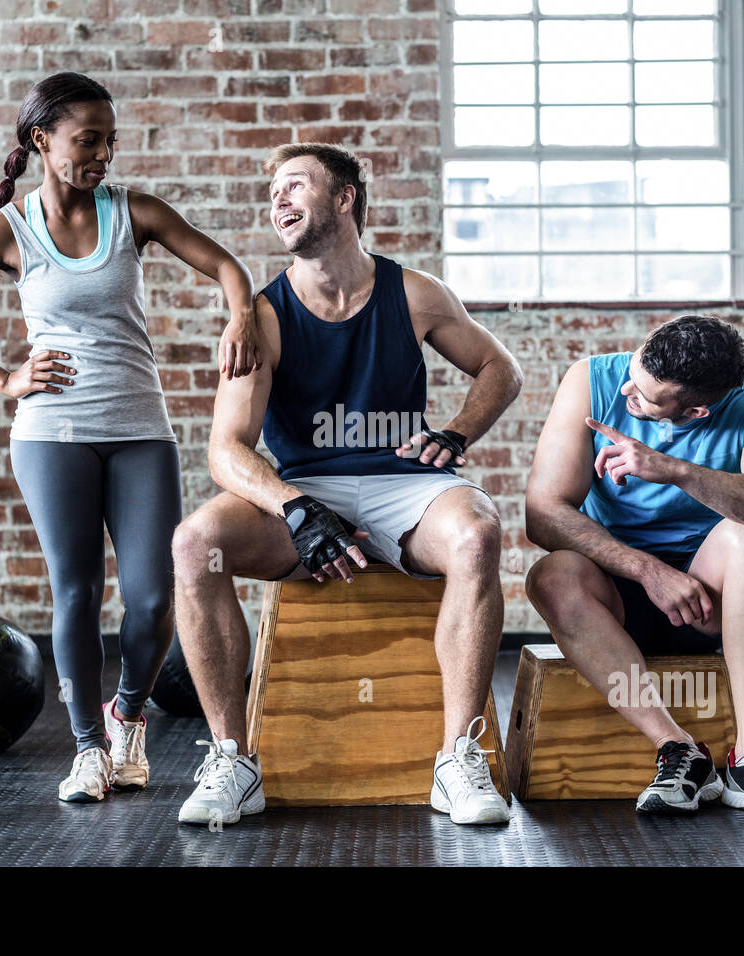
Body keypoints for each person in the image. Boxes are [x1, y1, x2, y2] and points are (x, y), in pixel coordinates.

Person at [0, 72, 261, 804]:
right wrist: (6, 379)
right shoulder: (9, 230)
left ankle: (127, 717)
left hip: (140, 430)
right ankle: (87, 749)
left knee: (152, 597)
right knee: (76, 592)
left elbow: (228, 266)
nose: (103, 153)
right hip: (51, 437)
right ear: (42, 140)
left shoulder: (132, 212)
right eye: (88, 140)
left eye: (109, 139)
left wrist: (241, 316)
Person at [170, 142, 524, 826]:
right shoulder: (264, 319)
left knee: (478, 536)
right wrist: (296, 508)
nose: (278, 199)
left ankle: (457, 759)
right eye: (272, 191)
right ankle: (231, 760)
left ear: (344, 199)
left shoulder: (414, 292)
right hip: (302, 491)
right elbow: (226, 451)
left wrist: (454, 434)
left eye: (295, 185)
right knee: (193, 545)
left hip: (404, 487)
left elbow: (500, 370)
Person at [524, 315, 744, 819]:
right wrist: (647, 571)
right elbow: (543, 512)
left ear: (696, 410)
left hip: (704, 602)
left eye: (644, 397)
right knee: (550, 574)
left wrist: (673, 470)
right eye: (633, 376)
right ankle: (678, 749)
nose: (626, 393)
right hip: (614, 598)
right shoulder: (590, 380)